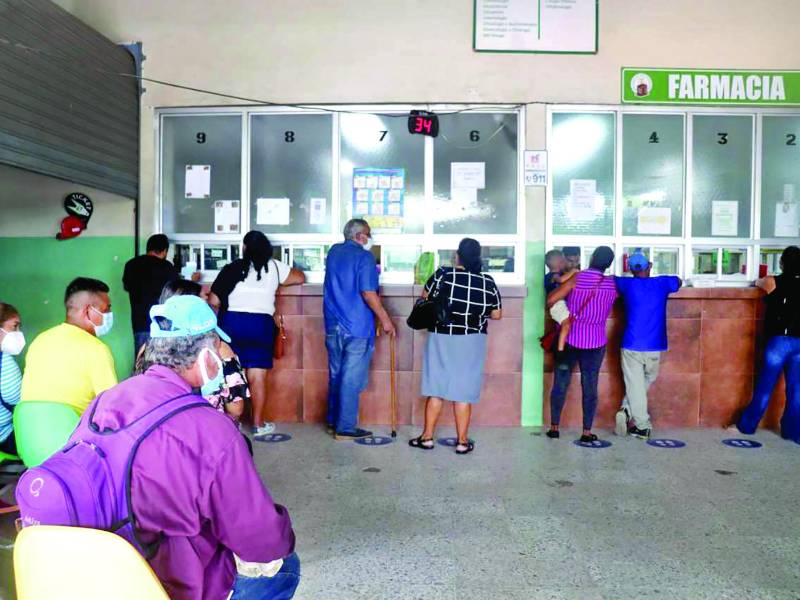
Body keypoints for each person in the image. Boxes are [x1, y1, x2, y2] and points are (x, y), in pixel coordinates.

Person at [88, 295, 298, 599]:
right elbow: (262, 539)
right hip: (171, 581)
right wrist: (282, 527)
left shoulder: (106, 400)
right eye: (217, 347)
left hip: (102, 567)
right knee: (286, 567)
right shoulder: (212, 429)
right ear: (204, 356)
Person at [409, 238, 502, 455]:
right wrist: (474, 313)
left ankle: (427, 438)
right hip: (472, 340)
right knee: (463, 391)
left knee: (436, 388)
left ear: (457, 256)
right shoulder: (487, 281)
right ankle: (462, 442)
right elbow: (497, 314)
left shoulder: (443, 274)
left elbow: (425, 298)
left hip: (441, 336)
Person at [210, 231, 305, 438]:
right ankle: (258, 424)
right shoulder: (274, 267)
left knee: (231, 375)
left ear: (244, 248)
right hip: (260, 325)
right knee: (258, 376)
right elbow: (300, 277)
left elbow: (214, 301)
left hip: (232, 324)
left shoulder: (232, 268)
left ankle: (231, 424)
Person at [136, 279, 248, 422]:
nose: (208, 305)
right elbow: (236, 409)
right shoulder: (220, 349)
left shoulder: (147, 348)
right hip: (209, 428)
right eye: (203, 302)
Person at [323, 218, 395, 440]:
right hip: (357, 327)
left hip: (333, 325)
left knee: (336, 374)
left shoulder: (333, 252)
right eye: (368, 234)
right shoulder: (365, 258)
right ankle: (345, 428)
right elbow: (368, 292)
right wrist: (385, 319)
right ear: (359, 236)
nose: (370, 238)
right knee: (351, 378)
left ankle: (333, 421)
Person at [546, 246, 618, 443]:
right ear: (609, 264)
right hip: (595, 343)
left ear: (592, 258)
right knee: (590, 386)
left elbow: (551, 300)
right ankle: (586, 432)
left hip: (569, 341)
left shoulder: (578, 278)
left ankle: (554, 428)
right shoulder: (613, 284)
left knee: (560, 383)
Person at [21, 277, 117, 414]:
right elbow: (112, 408)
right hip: (72, 427)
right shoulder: (96, 349)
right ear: (88, 311)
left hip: (28, 427)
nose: (109, 315)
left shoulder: (39, 340)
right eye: (106, 309)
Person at [614, 252, 682, 439]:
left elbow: (608, 280)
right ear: (649, 266)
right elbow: (678, 281)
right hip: (654, 345)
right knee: (645, 379)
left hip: (631, 344)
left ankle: (626, 410)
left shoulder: (625, 284)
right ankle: (643, 426)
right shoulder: (662, 283)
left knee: (635, 384)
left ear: (630, 269)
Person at [736, 246, 800, 441]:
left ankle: (748, 426)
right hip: (799, 342)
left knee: (765, 386)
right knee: (796, 390)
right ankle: (793, 432)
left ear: (782, 263)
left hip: (778, 342)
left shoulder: (773, 281)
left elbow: (758, 281)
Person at [123, 234, 199, 355]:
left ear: (148, 248)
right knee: (163, 359)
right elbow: (177, 291)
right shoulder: (167, 267)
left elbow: (127, 287)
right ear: (164, 251)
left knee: (141, 359)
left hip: (140, 324)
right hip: (163, 324)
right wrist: (191, 281)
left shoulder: (131, 265)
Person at [0, 303, 24, 455]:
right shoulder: (5, 364)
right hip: (6, 436)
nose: (18, 333)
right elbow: (22, 406)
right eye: (14, 327)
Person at [544, 249, 579, 352]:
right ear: (560, 263)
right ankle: (561, 349)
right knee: (566, 324)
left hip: (560, 303)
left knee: (566, 323)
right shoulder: (553, 275)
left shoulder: (557, 274)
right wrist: (574, 272)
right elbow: (561, 280)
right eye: (564, 261)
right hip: (557, 304)